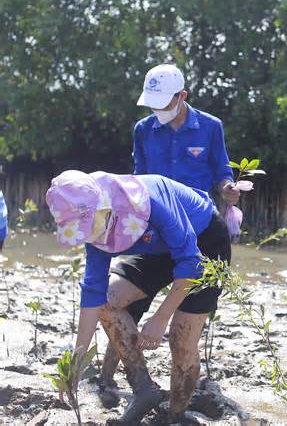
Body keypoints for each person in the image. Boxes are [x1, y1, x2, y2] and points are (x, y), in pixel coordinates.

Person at [99, 63, 241, 406]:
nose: (158, 110)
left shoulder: (210, 127)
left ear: (182, 97)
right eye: (153, 104)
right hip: (154, 227)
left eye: (165, 102)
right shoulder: (143, 130)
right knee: (115, 301)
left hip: (201, 230)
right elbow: (139, 178)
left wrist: (227, 188)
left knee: (181, 337)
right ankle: (111, 381)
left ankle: (175, 412)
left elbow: (221, 168)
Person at [46, 170, 230, 424]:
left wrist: (160, 318)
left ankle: (176, 415)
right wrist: (75, 364)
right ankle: (145, 390)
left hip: (203, 240)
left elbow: (191, 262)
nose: (92, 234)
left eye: (92, 226)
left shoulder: (150, 201)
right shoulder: (94, 231)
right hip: (157, 248)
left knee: (182, 337)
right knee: (109, 300)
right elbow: (92, 294)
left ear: (105, 205)